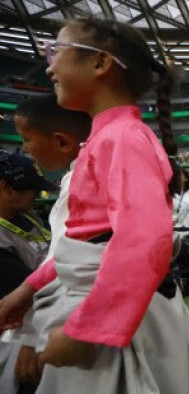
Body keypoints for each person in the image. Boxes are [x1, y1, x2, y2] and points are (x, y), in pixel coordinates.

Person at [0, 18, 189, 394]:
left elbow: (143, 239)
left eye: (57, 51)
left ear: (100, 63)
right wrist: (25, 292)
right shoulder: (109, 137)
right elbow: (84, 242)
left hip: (115, 320)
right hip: (100, 307)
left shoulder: (123, 137)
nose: (48, 64)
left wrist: (91, 330)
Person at [4, 94, 91, 393]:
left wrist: (32, 334)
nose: (25, 148)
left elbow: (69, 262)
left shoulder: (84, 175)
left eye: (27, 138)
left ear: (62, 141)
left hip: (80, 318)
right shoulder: (86, 169)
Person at [0, 152, 55, 394]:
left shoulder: (28, 216)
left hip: (43, 325)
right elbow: (26, 293)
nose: (36, 194)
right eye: (31, 188)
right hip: (17, 338)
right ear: (6, 187)